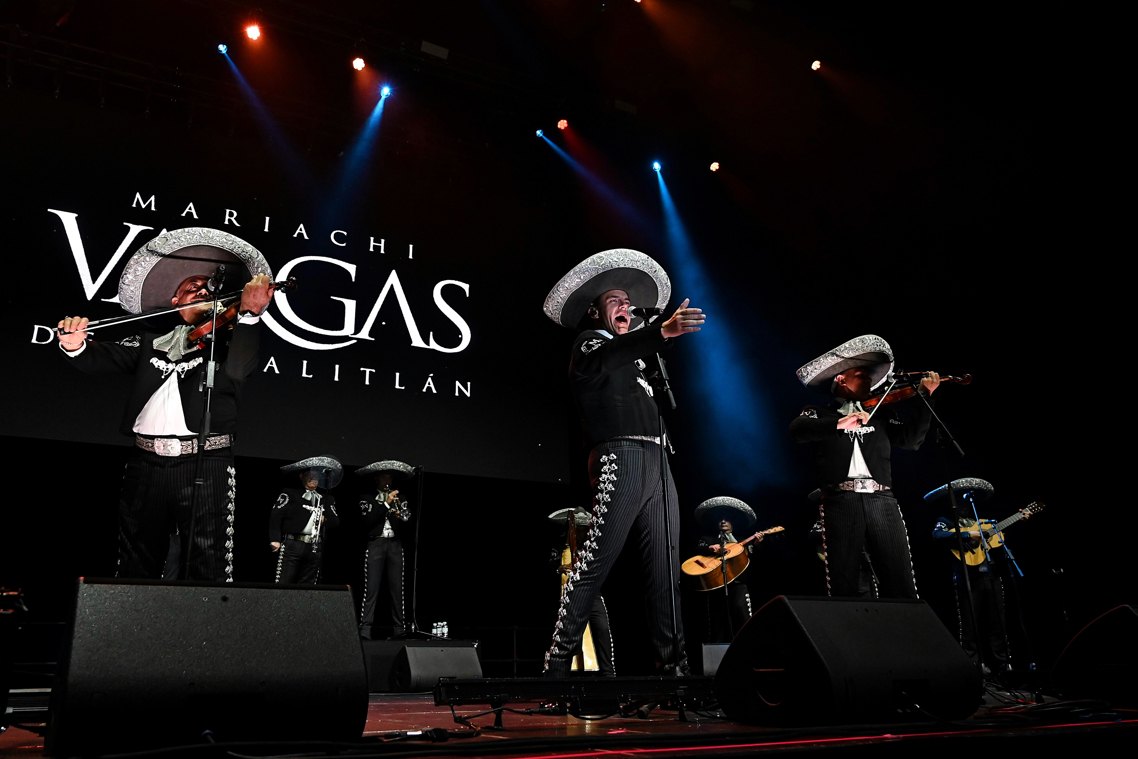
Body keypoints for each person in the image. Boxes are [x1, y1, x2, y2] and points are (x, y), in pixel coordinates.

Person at [56, 228, 274, 581]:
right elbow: (100, 358)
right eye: (193, 287)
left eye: (209, 289)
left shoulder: (230, 341)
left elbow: (239, 369)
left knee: (209, 557)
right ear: (175, 301)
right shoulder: (149, 343)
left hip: (207, 462)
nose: (203, 290)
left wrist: (248, 315)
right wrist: (75, 344)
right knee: (136, 557)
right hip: (146, 464)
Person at [541, 248, 705, 676]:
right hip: (622, 454)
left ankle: (675, 671)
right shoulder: (590, 343)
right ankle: (557, 665)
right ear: (595, 311)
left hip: (657, 459)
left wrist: (652, 346)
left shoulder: (637, 355)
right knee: (597, 557)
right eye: (614, 300)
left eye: (627, 302)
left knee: (666, 570)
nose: (625, 306)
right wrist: (658, 335)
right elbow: (602, 360)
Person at [790, 335, 939, 599]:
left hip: (882, 500)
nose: (870, 380)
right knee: (844, 580)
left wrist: (924, 398)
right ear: (841, 379)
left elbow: (911, 441)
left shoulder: (881, 414)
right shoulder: (818, 413)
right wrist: (839, 424)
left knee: (900, 577)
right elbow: (798, 431)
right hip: (840, 500)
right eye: (861, 375)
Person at [929, 478, 1027, 673]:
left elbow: (999, 537)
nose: (964, 506)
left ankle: (1003, 664)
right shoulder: (946, 521)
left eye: (967, 503)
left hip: (990, 575)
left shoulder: (983, 522)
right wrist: (968, 535)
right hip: (966, 576)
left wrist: (1019, 518)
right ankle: (972, 665)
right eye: (961, 502)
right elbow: (937, 536)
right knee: (969, 622)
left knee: (997, 620)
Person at [548, 508, 615, 676]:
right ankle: (564, 674)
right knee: (570, 634)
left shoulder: (592, 546)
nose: (581, 532)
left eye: (584, 529)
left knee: (602, 628)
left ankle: (608, 674)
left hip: (592, 593)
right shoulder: (560, 546)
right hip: (570, 594)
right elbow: (549, 565)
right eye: (578, 529)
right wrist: (560, 568)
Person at [355, 459, 415, 639]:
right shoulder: (366, 498)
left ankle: (399, 629)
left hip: (395, 544)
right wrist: (386, 504)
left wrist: (401, 515)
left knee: (397, 588)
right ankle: (365, 629)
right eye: (384, 477)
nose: (387, 481)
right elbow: (368, 521)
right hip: (376, 544)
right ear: (377, 479)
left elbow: (407, 521)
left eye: (389, 477)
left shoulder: (400, 497)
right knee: (371, 588)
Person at [694, 497, 764, 642]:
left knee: (744, 621)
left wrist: (757, 545)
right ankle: (716, 661)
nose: (723, 521)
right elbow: (695, 551)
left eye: (727, 519)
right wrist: (709, 548)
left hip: (738, 586)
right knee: (716, 625)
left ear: (733, 522)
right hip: (716, 586)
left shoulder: (742, 541)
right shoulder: (708, 539)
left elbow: (753, 561)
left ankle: (748, 654)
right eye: (720, 519)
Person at [270, 456, 343, 584]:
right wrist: (275, 539)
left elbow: (335, 521)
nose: (313, 478)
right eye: (309, 474)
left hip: (315, 546)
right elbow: (276, 515)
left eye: (315, 475)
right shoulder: (290, 494)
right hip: (293, 544)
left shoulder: (326, 498)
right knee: (284, 583)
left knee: (308, 586)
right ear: (301, 477)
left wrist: (324, 519)